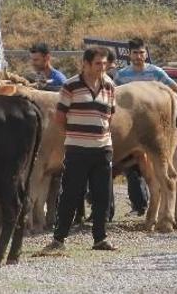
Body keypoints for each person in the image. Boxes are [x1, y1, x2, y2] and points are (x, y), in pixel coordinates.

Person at [41, 47, 118, 254]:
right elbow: (60, 118)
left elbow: (110, 114)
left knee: (102, 195)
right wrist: (75, 135)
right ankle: (59, 239)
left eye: (104, 64)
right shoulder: (71, 85)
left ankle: (100, 238)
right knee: (71, 194)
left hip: (103, 148)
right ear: (85, 63)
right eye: (97, 64)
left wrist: (100, 135)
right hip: (77, 149)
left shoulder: (110, 85)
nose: (102, 68)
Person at [114, 38, 177, 216]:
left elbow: (176, 90)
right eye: (135, 53)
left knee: (161, 167)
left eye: (142, 53)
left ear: (147, 54)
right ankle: (140, 206)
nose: (138, 56)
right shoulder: (121, 75)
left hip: (153, 127)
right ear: (129, 55)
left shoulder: (157, 73)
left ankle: (168, 211)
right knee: (132, 172)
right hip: (129, 129)